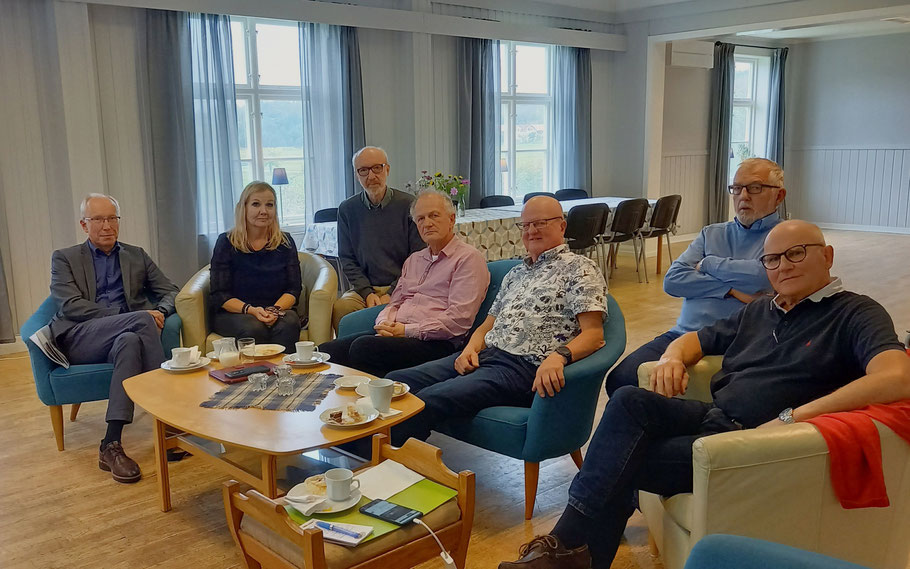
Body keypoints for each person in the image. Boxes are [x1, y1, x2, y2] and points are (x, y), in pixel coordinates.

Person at [500, 220, 910, 569]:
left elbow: (896, 377)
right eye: (772, 259)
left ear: (828, 255)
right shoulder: (762, 309)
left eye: (797, 253)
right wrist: (671, 358)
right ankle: (571, 550)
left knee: (618, 461)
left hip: (754, 441)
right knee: (628, 400)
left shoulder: (855, 312)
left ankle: (565, 547)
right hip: (715, 415)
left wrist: (792, 418)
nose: (783, 266)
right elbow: (697, 338)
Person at [386, 196, 608, 446]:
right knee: (396, 382)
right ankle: (368, 452)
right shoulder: (517, 272)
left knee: (429, 398)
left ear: (562, 226)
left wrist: (559, 356)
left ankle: (380, 464)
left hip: (522, 368)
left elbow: (594, 335)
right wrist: (470, 348)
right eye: (525, 225)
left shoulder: (581, 268)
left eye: (540, 223)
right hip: (488, 356)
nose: (531, 231)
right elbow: (487, 324)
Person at [605, 157, 787, 395]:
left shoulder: (784, 235)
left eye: (755, 188)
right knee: (622, 378)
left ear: (779, 196)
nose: (743, 196)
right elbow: (673, 280)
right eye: (736, 188)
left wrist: (709, 263)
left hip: (741, 341)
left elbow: (763, 276)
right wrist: (730, 290)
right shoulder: (712, 233)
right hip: (684, 333)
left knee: (692, 391)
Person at [49, 194, 178, 483]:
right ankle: (168, 422)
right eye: (98, 219)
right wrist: (128, 314)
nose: (106, 226)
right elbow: (70, 306)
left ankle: (110, 444)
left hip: (125, 335)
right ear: (84, 225)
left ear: (118, 221)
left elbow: (171, 290)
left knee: (131, 341)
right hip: (79, 336)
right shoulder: (64, 258)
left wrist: (159, 310)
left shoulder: (136, 255)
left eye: (112, 218)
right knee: (140, 322)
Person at [320, 189, 489, 377]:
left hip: (437, 342)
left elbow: (459, 321)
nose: (427, 223)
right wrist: (385, 322)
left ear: (451, 219)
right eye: (421, 219)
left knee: (363, 348)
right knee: (326, 351)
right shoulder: (414, 260)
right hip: (398, 332)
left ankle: (370, 403)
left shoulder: (468, 259)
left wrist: (407, 331)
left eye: (434, 216)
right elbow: (395, 303)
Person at [332, 146, 425, 332]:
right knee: (341, 308)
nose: (371, 176)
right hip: (364, 289)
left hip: (404, 288)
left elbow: (417, 259)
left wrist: (392, 292)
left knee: (409, 313)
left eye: (377, 168)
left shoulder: (409, 205)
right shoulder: (347, 210)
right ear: (356, 174)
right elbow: (347, 259)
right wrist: (367, 293)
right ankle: (348, 360)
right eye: (363, 170)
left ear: (387, 170)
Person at [209, 181, 302, 351]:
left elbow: (294, 289)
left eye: (270, 205)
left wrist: (273, 310)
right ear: (243, 208)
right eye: (256, 204)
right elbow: (220, 294)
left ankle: (285, 375)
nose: (264, 211)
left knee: (289, 322)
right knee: (254, 327)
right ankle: (256, 376)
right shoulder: (226, 242)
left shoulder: (286, 242)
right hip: (235, 313)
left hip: (277, 309)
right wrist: (252, 310)